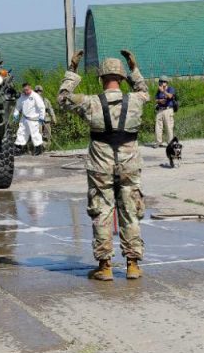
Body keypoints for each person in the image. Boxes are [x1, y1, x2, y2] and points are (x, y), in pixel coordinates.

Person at [59, 49, 149, 282]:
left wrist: (72, 71)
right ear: (120, 79)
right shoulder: (136, 101)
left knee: (102, 212)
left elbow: (63, 98)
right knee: (130, 212)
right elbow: (143, 91)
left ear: (101, 78)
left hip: (101, 165)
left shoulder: (90, 102)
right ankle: (132, 265)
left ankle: (105, 266)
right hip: (129, 164)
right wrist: (134, 69)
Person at [13, 83, 47, 155]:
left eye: (27, 90)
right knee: (21, 133)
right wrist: (15, 114)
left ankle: (38, 149)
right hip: (24, 118)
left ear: (30, 88)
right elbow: (18, 106)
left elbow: (42, 107)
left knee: (34, 134)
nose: (26, 91)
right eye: (24, 90)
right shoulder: (22, 97)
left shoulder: (35, 96)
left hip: (33, 119)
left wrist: (41, 117)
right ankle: (18, 149)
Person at [153, 77, 177, 147]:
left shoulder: (170, 89)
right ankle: (158, 142)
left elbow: (170, 96)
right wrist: (160, 101)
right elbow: (156, 99)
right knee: (158, 126)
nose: (160, 83)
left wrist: (163, 91)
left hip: (168, 110)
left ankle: (170, 143)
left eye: (162, 82)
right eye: (160, 82)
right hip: (160, 109)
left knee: (169, 127)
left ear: (166, 82)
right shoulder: (159, 90)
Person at [35, 85, 57, 150]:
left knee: (47, 135)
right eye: (37, 91)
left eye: (40, 91)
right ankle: (38, 149)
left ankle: (46, 148)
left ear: (42, 92)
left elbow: (51, 109)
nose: (38, 92)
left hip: (46, 119)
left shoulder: (46, 100)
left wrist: (54, 118)